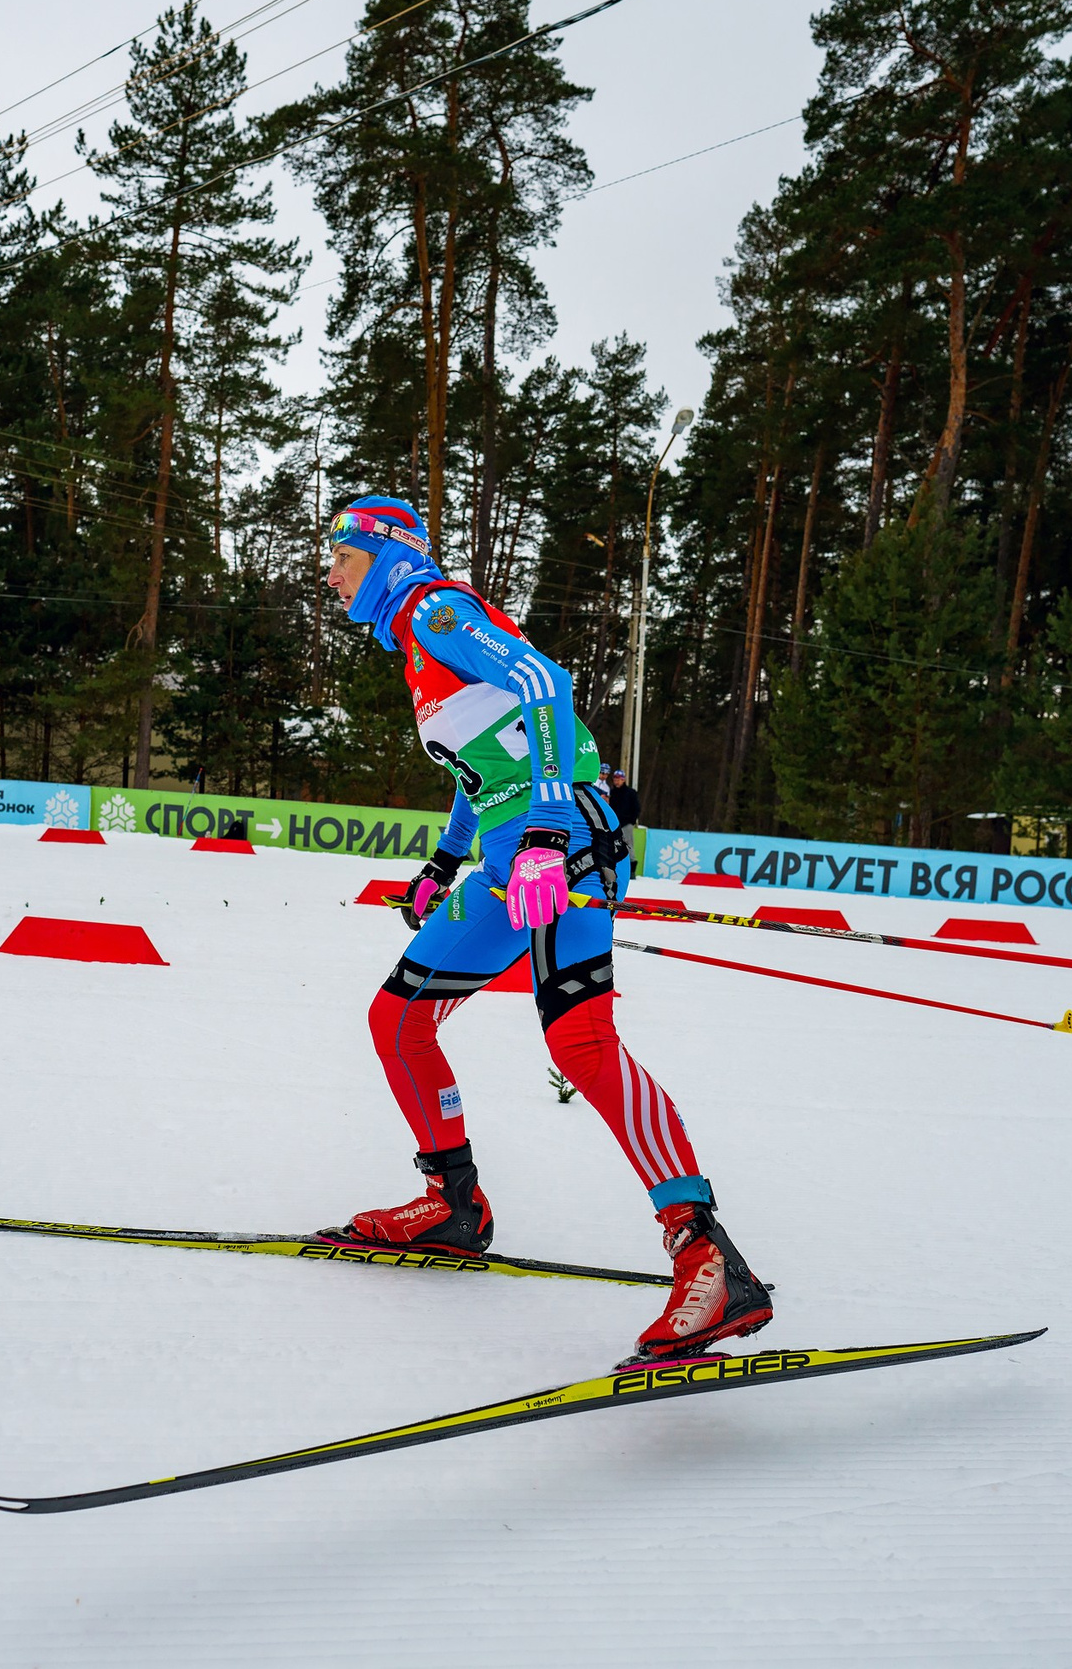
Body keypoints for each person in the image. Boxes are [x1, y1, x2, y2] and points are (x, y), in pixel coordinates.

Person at [317, 495, 773, 1365]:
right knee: (399, 1019)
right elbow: (479, 770)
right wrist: (443, 863)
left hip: (561, 849)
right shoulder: (417, 648)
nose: (331, 575)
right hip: (505, 865)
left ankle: (707, 1255)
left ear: (385, 555)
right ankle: (453, 1203)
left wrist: (549, 828)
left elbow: (546, 686)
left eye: (341, 556)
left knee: (581, 1045)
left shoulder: (435, 608)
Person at [602, 765, 642, 852]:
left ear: (623, 780)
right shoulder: (612, 793)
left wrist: (632, 821)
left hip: (626, 824)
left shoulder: (630, 793)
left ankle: (631, 860)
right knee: (613, 845)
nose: (616, 782)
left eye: (619, 779)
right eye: (615, 779)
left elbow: (636, 808)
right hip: (614, 824)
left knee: (628, 845)